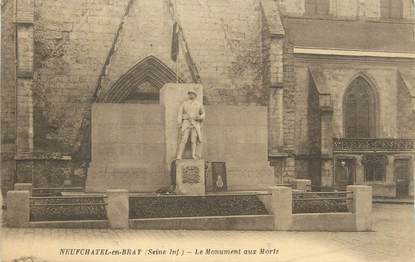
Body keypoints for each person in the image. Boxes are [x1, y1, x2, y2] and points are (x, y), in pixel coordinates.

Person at [176, 90, 205, 159]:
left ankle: (193, 155)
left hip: (195, 123)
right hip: (186, 123)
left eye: (192, 94)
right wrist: (179, 123)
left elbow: (203, 113)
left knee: (193, 140)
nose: (191, 95)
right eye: (189, 94)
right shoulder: (184, 104)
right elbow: (180, 113)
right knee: (184, 139)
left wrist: (199, 117)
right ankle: (179, 155)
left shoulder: (198, 104)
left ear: (195, 95)